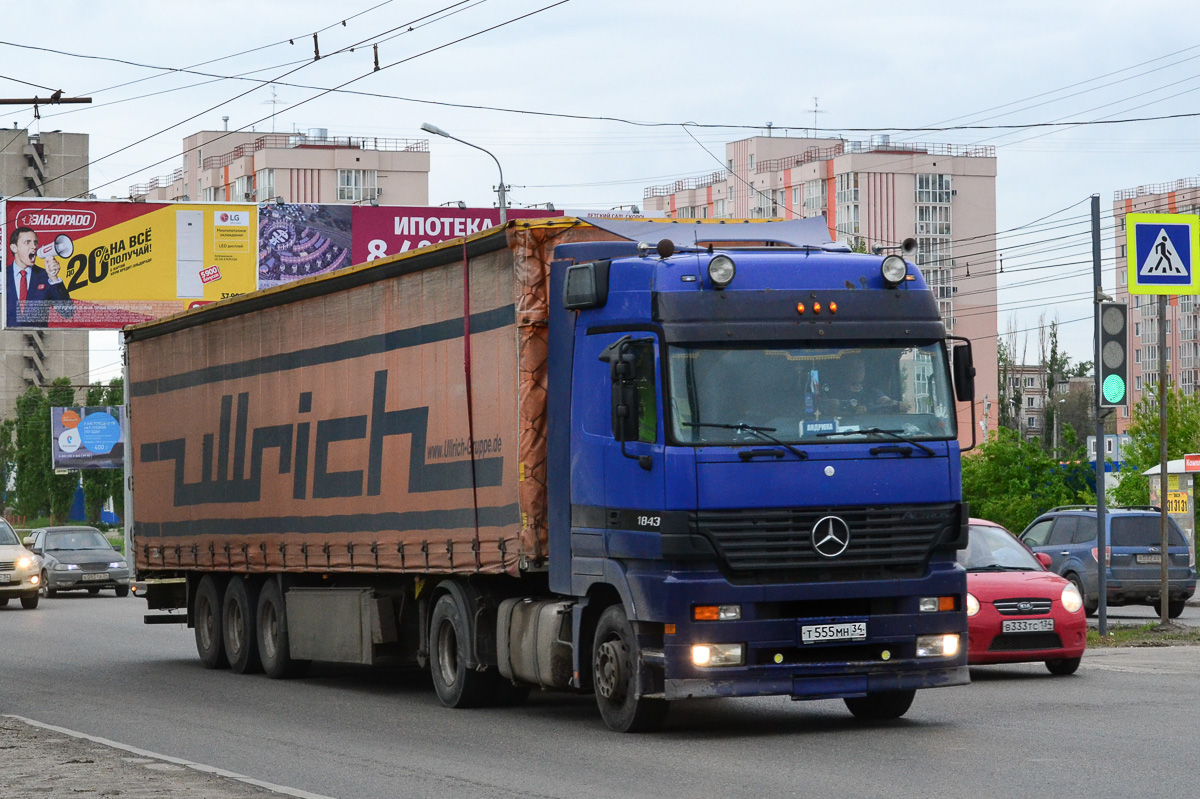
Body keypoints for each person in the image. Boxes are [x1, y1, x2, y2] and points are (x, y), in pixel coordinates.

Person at [6, 226, 74, 327]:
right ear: (14, 248)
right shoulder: (4, 275)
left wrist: (54, 278)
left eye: (35, 242)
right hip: (6, 341)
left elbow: (68, 313)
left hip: (37, 340)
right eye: (27, 242)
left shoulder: (46, 277)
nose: (34, 246)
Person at [822, 353, 903, 415]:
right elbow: (831, 411)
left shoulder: (872, 392)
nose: (857, 371)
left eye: (860, 368)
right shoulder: (835, 393)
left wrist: (897, 404)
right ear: (845, 371)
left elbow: (888, 402)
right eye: (853, 368)